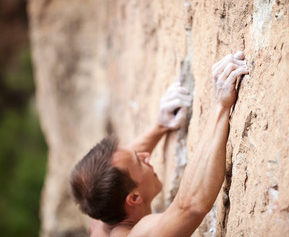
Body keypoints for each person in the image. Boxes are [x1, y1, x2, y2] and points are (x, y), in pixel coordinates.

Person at [70, 51, 249, 237]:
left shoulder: (100, 209)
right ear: (134, 198)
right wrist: (220, 105)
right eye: (140, 162)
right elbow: (189, 207)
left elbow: (114, 173)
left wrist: (159, 126)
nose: (145, 154)